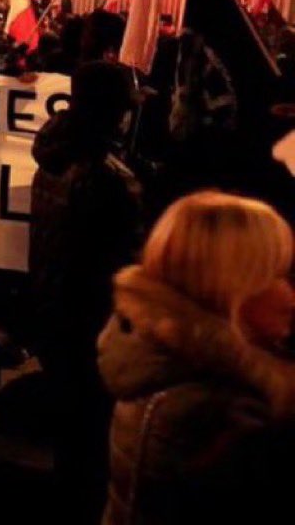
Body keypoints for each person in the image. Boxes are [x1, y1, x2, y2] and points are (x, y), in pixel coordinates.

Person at [99, 192, 295, 525]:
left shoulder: (169, 370)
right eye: (278, 275)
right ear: (231, 286)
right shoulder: (220, 415)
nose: (291, 295)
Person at [28, 59, 144, 524]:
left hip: (53, 310)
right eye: (124, 108)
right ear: (111, 112)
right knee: (95, 443)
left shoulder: (54, 153)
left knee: (69, 434)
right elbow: (130, 266)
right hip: (94, 324)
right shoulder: (111, 179)